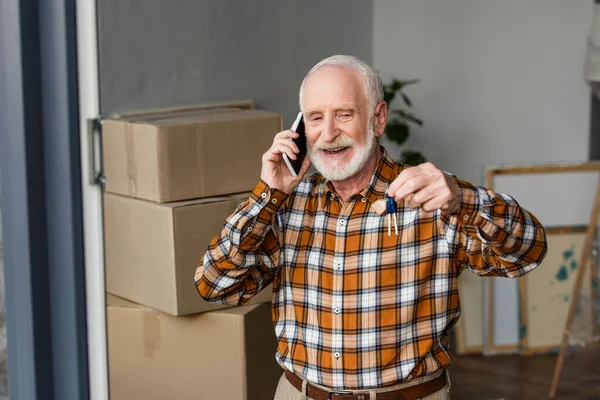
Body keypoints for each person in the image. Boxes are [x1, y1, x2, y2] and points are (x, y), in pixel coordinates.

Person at [195, 55, 547, 400]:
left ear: (378, 119)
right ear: (301, 128)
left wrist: (464, 200)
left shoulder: (433, 196)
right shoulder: (287, 203)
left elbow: (526, 253)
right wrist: (268, 194)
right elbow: (215, 285)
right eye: (316, 118)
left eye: (344, 114)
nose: (329, 133)